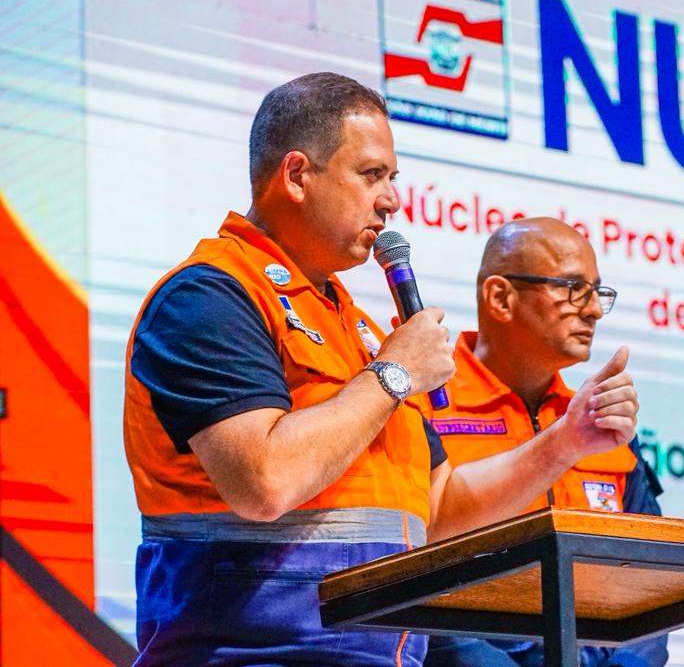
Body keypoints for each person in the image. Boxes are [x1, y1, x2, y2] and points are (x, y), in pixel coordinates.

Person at [122, 72, 638, 666]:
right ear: (296, 175)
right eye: (372, 175)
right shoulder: (208, 298)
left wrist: (565, 441)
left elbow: (440, 510)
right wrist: (393, 373)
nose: (391, 200)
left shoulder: (359, 328)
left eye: (393, 179)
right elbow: (263, 481)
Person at [423, 218, 668, 667]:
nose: (593, 310)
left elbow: (653, 573)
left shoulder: (601, 423)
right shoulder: (422, 407)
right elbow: (406, 578)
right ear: (501, 298)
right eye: (573, 288)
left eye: (597, 291)